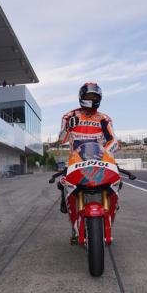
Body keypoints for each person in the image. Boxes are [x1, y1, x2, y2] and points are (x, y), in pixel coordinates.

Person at [57, 82, 119, 212]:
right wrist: (68, 128)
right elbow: (61, 140)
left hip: (99, 160)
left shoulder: (104, 118)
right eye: (89, 96)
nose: (92, 100)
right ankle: (65, 199)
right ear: (81, 97)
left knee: (117, 180)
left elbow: (114, 141)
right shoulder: (69, 116)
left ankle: (114, 202)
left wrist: (105, 154)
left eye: (95, 97)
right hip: (76, 161)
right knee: (62, 182)